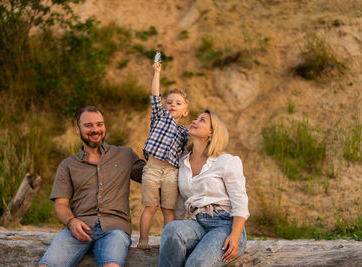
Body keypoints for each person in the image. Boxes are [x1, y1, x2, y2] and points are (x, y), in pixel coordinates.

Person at [39, 106, 145, 267]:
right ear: (77, 128)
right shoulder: (67, 165)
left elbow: (152, 177)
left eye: (99, 124)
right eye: (88, 125)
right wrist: (71, 222)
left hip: (114, 229)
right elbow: (60, 204)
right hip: (78, 228)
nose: (95, 130)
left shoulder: (125, 155)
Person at [158, 110, 249, 267]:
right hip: (197, 223)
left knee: (196, 263)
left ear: (211, 133)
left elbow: (240, 201)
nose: (194, 121)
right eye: (195, 118)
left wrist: (235, 236)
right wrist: (168, 241)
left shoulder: (226, 161)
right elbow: (180, 204)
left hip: (225, 225)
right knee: (172, 230)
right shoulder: (182, 162)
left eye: (202, 120)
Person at [137, 61, 189, 250]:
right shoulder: (160, 116)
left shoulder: (184, 132)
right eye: (169, 102)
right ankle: (143, 240)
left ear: (185, 111)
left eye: (178, 103)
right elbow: (154, 95)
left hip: (171, 172)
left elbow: (184, 151)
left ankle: (168, 243)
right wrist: (157, 73)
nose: (172, 105)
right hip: (152, 168)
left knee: (169, 210)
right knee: (150, 207)